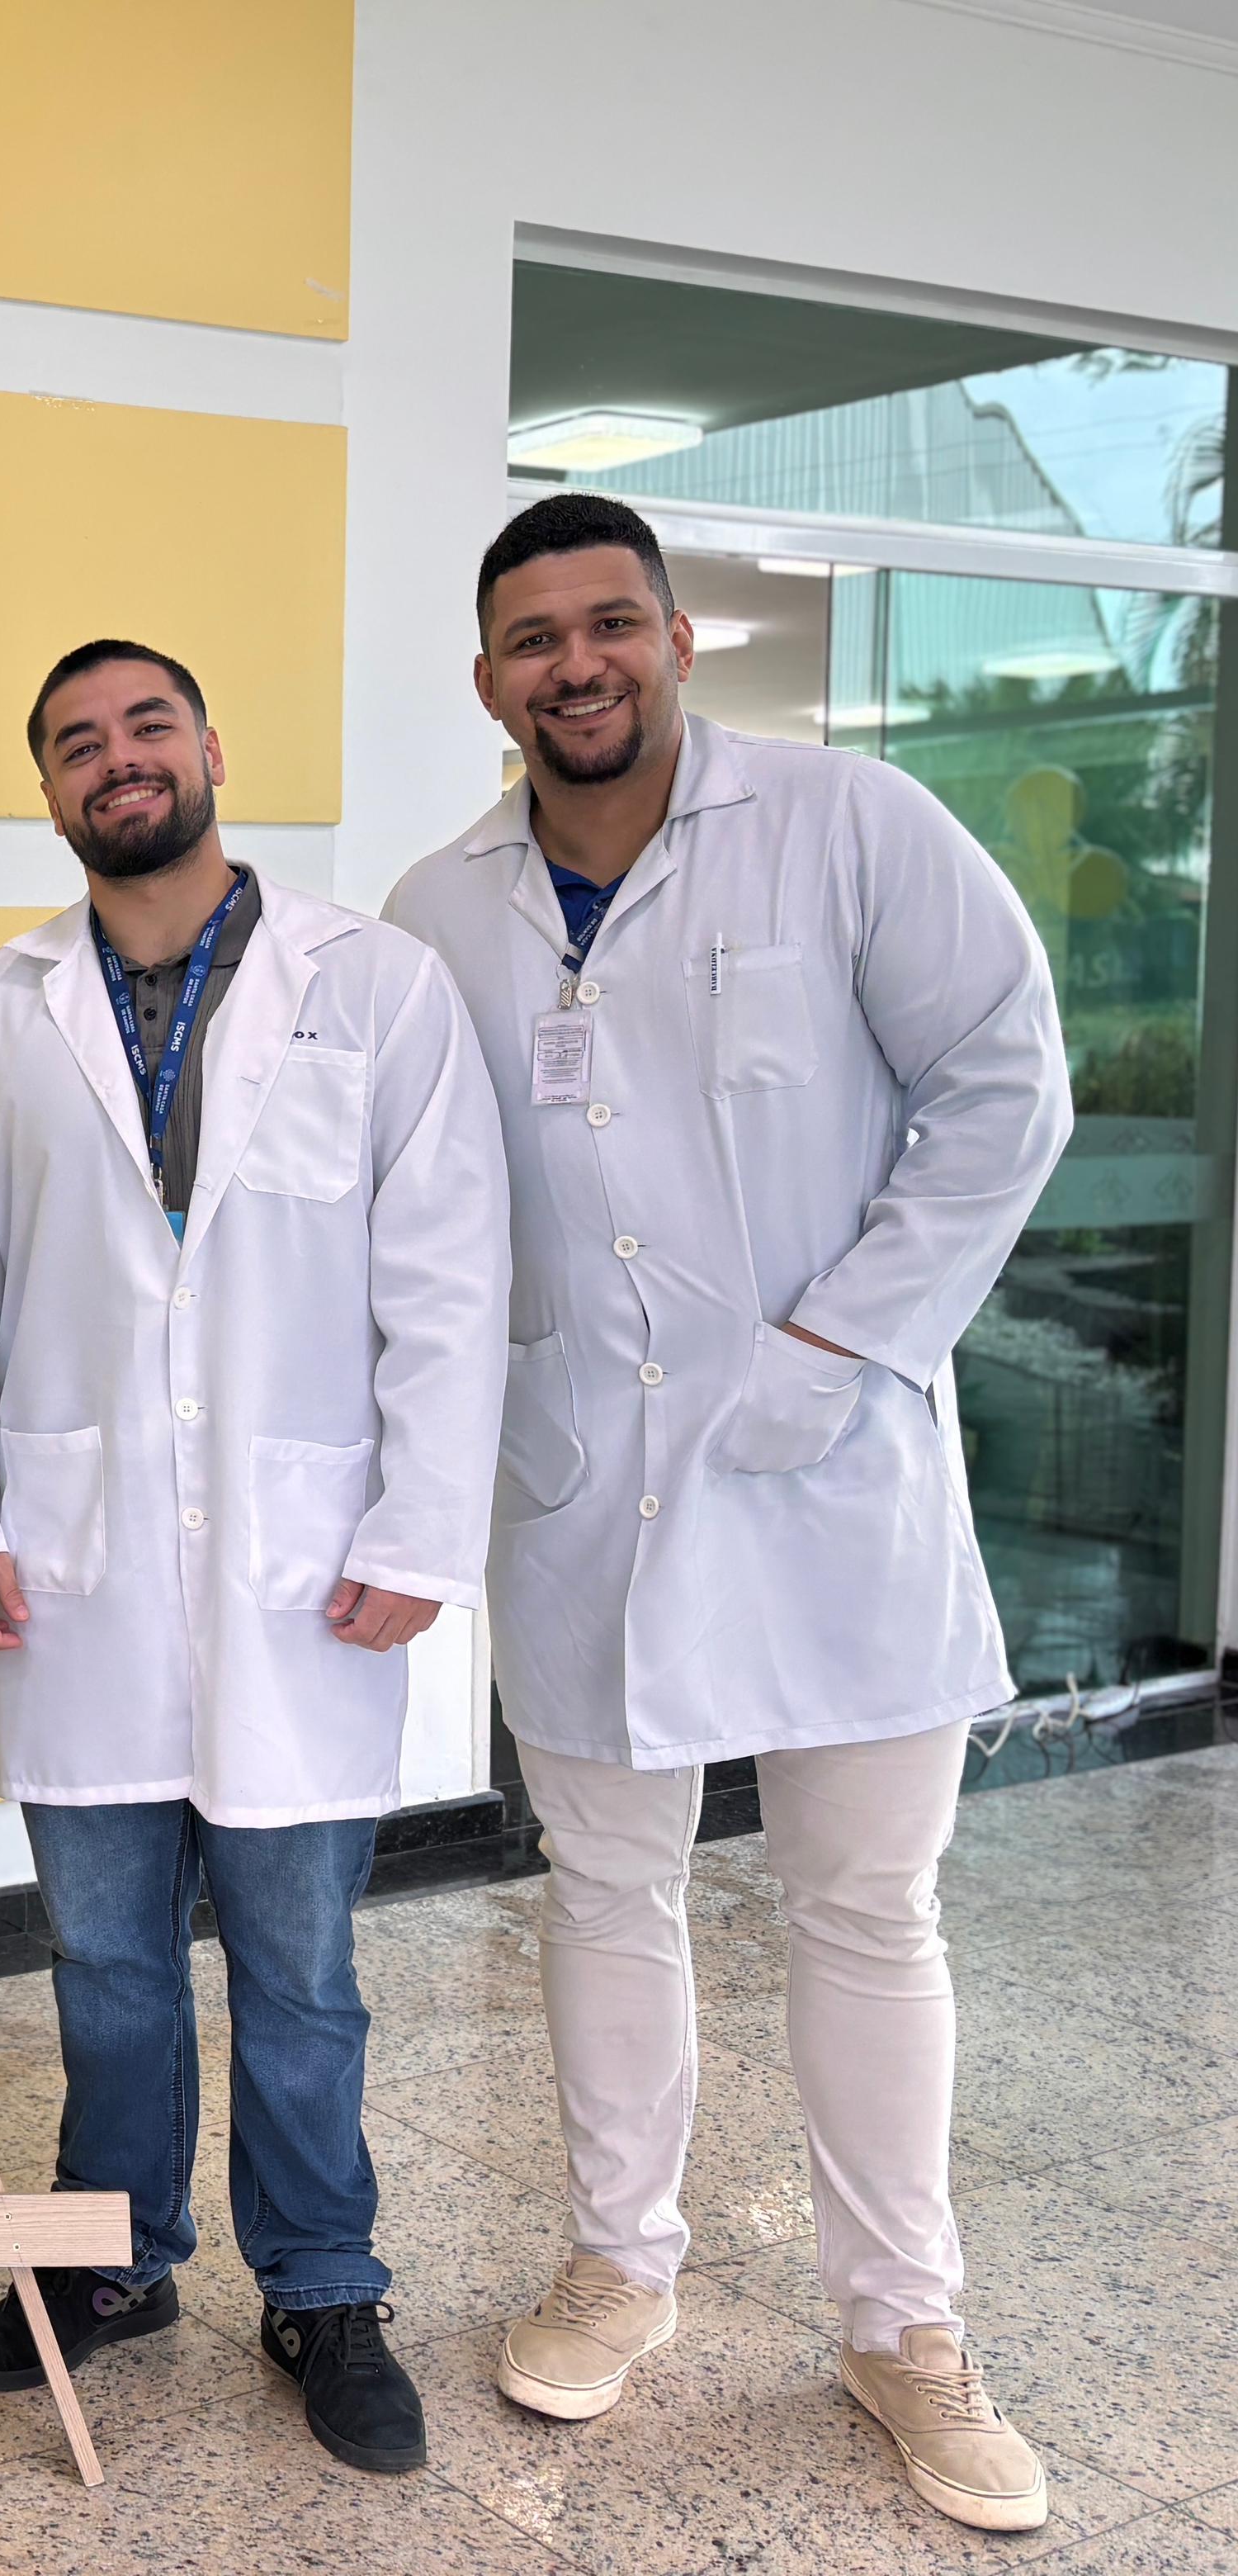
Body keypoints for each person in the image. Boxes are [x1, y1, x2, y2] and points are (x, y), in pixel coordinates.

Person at [384, 493, 1069, 2534]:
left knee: (865, 1905)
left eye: (611, 623)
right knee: (606, 1886)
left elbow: (1005, 1086)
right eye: (533, 638)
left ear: (679, 641)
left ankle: (904, 2328)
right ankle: (621, 2262)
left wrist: (841, 1341)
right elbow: (408, 1200)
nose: (575, 664)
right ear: (486, 679)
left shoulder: (847, 827)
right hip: (578, 1477)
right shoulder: (439, 908)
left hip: (827, 1456)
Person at [0, 639, 507, 2474]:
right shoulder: (2, 1006)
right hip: (76, 1559)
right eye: (75, 743)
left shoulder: (375, 985)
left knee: (299, 1972)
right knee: (102, 1962)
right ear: (47, 791)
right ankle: (113, 2261)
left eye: (147, 726)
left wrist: (422, 1527)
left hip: (304, 1559)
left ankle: (323, 2285)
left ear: (209, 751)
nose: (117, 760)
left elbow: (448, 1274)